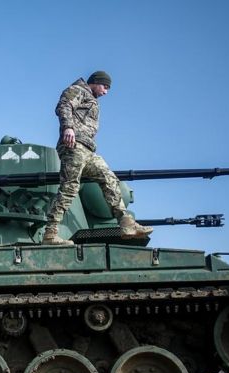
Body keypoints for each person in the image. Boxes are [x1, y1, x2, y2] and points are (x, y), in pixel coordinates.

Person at [42, 71, 152, 245]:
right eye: (105, 87)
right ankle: (50, 233)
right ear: (95, 82)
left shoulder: (91, 99)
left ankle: (126, 223)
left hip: (88, 150)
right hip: (74, 145)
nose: (106, 92)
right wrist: (68, 128)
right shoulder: (78, 90)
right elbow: (63, 105)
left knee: (109, 178)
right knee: (70, 188)